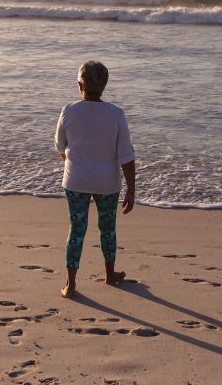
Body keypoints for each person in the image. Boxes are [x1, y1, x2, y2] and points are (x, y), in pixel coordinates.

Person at [54, 60, 136, 299]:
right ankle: (110, 274)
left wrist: (74, 162)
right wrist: (131, 189)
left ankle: (70, 284)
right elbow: (126, 155)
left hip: (75, 180)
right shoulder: (116, 114)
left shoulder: (69, 110)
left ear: (80, 85)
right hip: (106, 183)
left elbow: (60, 145)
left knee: (76, 229)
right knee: (107, 229)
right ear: (104, 86)